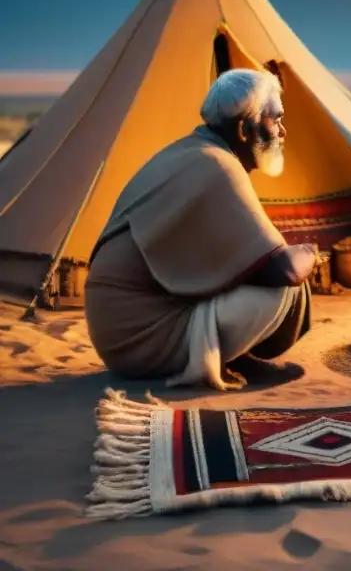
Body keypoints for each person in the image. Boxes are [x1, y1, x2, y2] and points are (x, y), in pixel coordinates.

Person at [84, 69, 317, 390]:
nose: (283, 131)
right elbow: (285, 270)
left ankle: (236, 360)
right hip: (139, 338)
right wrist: (310, 253)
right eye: (275, 120)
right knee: (283, 289)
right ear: (244, 128)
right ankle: (213, 358)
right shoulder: (216, 165)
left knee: (245, 270)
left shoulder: (190, 151)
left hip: (118, 335)